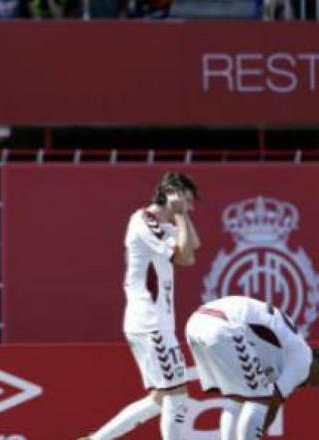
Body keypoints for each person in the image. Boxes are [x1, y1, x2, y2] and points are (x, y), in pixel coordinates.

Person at [79, 172, 200, 440]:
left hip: (157, 322)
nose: (190, 208)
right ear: (171, 196)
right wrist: (179, 215)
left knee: (160, 398)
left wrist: (181, 215)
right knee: (177, 394)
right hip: (150, 321)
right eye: (187, 201)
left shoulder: (165, 223)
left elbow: (191, 252)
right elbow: (181, 256)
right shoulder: (145, 222)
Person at [187, 296, 319, 439]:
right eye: (315, 382)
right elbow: (273, 402)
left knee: (238, 398)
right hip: (223, 326)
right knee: (260, 399)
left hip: (195, 324)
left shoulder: (286, 351)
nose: (309, 385)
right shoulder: (303, 361)